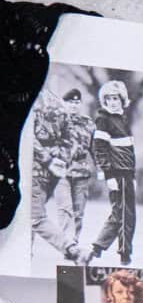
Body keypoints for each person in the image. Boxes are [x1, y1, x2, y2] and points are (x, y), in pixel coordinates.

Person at [31, 81, 96, 259]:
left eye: (76, 102)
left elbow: (93, 148)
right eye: (70, 102)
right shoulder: (54, 117)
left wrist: (103, 170)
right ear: (64, 102)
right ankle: (70, 246)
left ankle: (73, 243)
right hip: (61, 171)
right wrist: (55, 161)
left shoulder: (88, 123)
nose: (73, 105)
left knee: (78, 211)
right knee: (64, 209)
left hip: (80, 171)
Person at [88, 81, 137, 263]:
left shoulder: (122, 118)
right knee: (123, 214)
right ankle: (123, 252)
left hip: (127, 173)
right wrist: (108, 175)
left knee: (124, 213)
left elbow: (130, 151)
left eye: (115, 98)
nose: (112, 102)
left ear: (121, 99)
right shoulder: (104, 119)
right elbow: (99, 149)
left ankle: (99, 247)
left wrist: (133, 175)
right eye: (108, 99)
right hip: (116, 173)